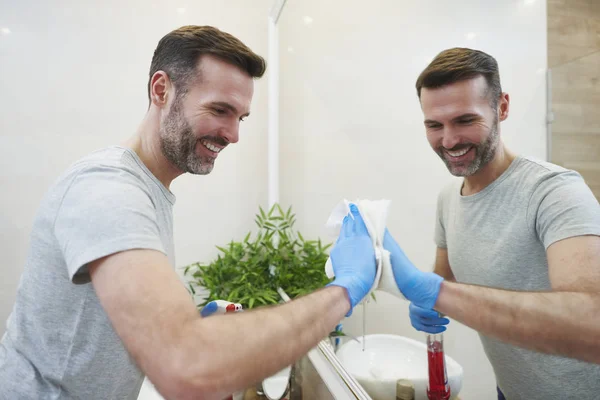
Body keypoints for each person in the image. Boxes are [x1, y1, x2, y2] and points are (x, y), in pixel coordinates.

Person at [0, 25, 377, 400]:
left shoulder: (148, 189)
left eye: (240, 117)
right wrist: (344, 290)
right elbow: (186, 367)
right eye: (219, 110)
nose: (233, 134)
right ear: (161, 90)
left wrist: (184, 324)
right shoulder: (107, 190)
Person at [377, 48, 600, 400]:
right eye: (434, 125)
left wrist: (436, 292)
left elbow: (592, 319)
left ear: (502, 107)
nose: (448, 141)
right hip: (510, 390)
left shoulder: (554, 192)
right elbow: (443, 278)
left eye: (465, 120)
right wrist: (410, 282)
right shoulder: (449, 198)